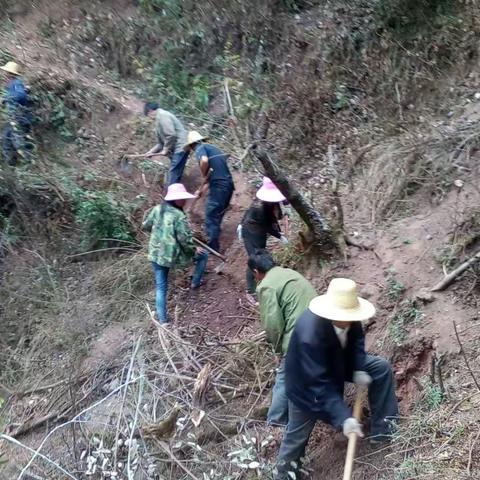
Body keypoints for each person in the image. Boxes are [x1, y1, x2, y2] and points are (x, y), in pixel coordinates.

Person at [275, 278, 399, 479]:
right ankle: (284, 475)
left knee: (380, 368)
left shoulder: (350, 315)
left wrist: (358, 368)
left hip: (340, 363)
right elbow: (320, 386)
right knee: (295, 438)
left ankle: (384, 431)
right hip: (307, 385)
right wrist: (344, 418)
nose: (349, 320)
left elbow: (357, 341)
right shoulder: (310, 335)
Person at [248, 249, 317, 426]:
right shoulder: (289, 273)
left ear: (256, 272)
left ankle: (276, 422)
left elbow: (273, 325)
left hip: (301, 336)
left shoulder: (267, 285)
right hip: (322, 329)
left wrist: (277, 350)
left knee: (285, 377)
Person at [142, 183, 208, 324]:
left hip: (155, 253)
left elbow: (145, 226)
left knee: (161, 286)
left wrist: (158, 233)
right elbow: (184, 240)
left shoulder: (157, 209)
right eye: (182, 198)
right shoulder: (178, 215)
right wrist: (193, 248)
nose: (184, 201)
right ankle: (195, 282)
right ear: (175, 200)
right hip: (172, 255)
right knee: (203, 255)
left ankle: (163, 320)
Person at [183, 131, 234, 253]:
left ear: (191, 146)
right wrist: (200, 191)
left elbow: (204, 161)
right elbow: (210, 178)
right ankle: (215, 237)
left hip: (219, 186)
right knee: (218, 213)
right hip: (228, 186)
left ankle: (213, 247)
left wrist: (203, 173)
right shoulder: (213, 148)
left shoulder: (201, 148)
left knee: (211, 216)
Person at [239, 177, 288, 300]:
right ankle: (251, 291)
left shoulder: (267, 203)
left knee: (259, 253)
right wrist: (279, 236)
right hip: (251, 232)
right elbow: (267, 225)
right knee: (255, 258)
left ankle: (261, 281)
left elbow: (273, 217)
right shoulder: (260, 207)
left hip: (258, 231)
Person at [143, 102, 189, 185]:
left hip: (181, 146)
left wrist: (165, 149)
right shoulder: (158, 119)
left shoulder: (163, 116)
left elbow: (171, 134)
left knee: (173, 173)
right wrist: (151, 152)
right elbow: (161, 143)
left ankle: (169, 197)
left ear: (150, 111)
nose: (149, 118)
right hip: (178, 148)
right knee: (175, 172)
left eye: (148, 116)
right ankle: (176, 193)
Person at [1, 61, 33, 166]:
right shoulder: (12, 84)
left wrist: (6, 98)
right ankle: (13, 164)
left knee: (16, 141)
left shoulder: (16, 83)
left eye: (6, 72)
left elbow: (21, 95)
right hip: (16, 117)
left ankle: (28, 162)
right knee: (7, 138)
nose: (4, 74)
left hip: (19, 117)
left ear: (10, 73)